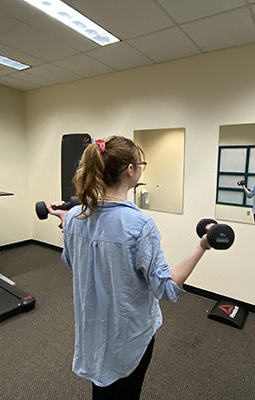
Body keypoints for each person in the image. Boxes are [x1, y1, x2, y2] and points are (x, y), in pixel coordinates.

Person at [46, 136, 211, 400]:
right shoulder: (140, 225)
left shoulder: (76, 219)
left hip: (93, 333)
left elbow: (71, 260)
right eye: (140, 163)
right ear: (130, 171)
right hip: (127, 338)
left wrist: (68, 222)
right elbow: (167, 288)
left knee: (102, 392)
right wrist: (202, 246)